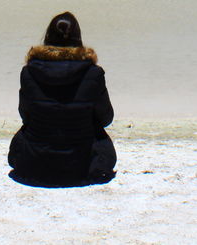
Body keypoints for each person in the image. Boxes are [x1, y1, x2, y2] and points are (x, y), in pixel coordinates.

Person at [8, 11, 116, 187]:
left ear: (47, 38)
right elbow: (105, 119)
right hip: (82, 166)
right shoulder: (93, 73)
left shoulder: (29, 72)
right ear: (78, 39)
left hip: (34, 165)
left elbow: (26, 116)